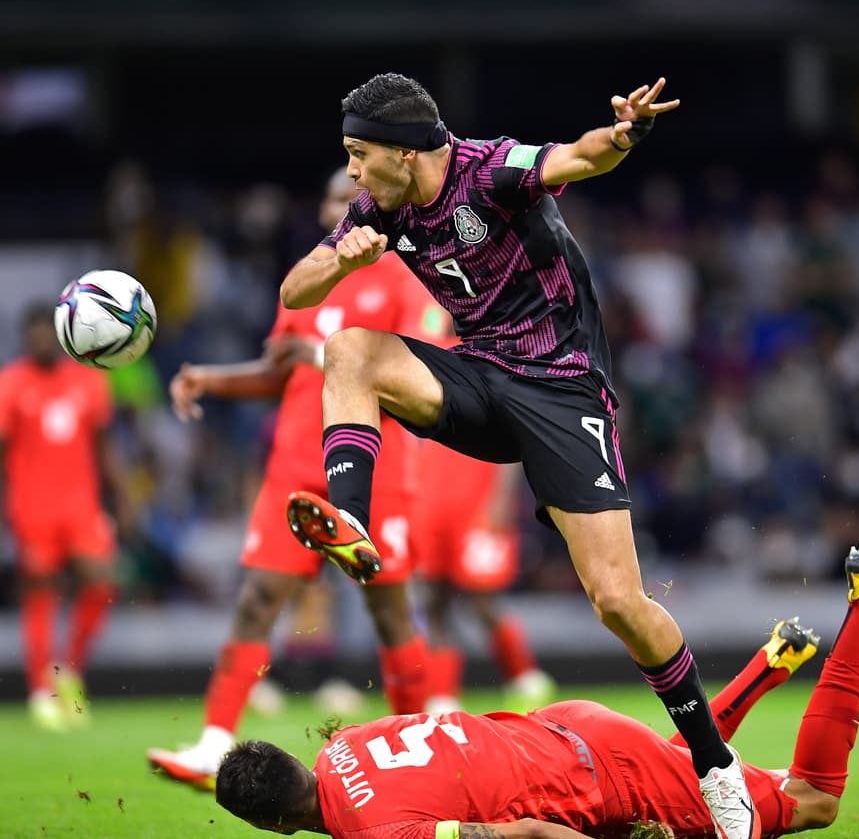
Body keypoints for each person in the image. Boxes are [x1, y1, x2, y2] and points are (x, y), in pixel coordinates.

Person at [277, 72, 758, 835]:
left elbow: (579, 157)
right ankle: (353, 519)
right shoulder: (377, 209)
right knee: (348, 349)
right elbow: (295, 291)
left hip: (562, 392)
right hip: (478, 379)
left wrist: (628, 132)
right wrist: (341, 261)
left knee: (618, 602)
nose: (354, 173)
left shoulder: (490, 170)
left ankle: (715, 765)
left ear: (405, 153)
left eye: (360, 154)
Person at [214, 538, 859, 839]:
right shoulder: (349, 741)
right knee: (678, 773)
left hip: (596, 775)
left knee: (812, 801)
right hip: (567, 730)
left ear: (276, 828)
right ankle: (767, 665)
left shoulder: (382, 835)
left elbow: (535, 837)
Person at [146, 168, 444, 790]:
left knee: (389, 614)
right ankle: (213, 745)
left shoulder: (409, 280)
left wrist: (331, 357)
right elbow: (279, 370)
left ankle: (422, 754)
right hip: (295, 468)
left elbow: (425, 373)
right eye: (337, 199)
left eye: (357, 199)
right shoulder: (307, 284)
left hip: (375, 472)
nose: (347, 209)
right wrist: (212, 378)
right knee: (257, 600)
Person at [0, 304, 134, 731]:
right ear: (24, 339)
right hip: (31, 510)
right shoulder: (8, 384)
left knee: (103, 582)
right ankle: (39, 691)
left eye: (48, 333)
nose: (42, 341)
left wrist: (122, 498)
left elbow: (105, 450)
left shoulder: (89, 381)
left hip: (81, 508)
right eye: (34, 335)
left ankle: (69, 671)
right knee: (41, 594)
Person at [416, 421, 554, 714]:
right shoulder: (428, 375)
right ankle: (443, 696)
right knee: (434, 601)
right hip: (430, 502)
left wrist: (501, 498)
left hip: (475, 503)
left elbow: (513, 443)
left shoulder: (486, 377)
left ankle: (524, 676)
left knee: (481, 599)